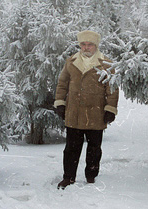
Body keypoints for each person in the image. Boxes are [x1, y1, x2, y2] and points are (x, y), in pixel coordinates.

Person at [54, 30, 119, 189]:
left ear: (95, 45)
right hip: (74, 113)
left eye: (90, 44)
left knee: (94, 149)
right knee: (71, 149)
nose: (86, 47)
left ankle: (91, 175)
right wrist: (60, 102)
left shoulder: (106, 64)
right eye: (83, 44)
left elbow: (112, 88)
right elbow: (62, 83)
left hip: (95, 113)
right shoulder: (71, 61)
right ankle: (68, 177)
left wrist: (110, 108)